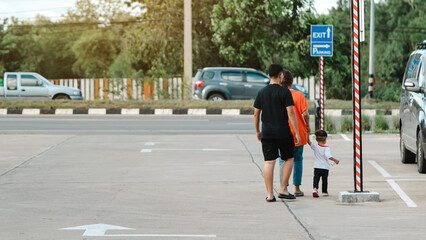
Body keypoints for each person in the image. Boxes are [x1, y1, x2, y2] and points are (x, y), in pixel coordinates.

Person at [254, 63, 301, 202]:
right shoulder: (285, 92)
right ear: (281, 75)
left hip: (267, 132)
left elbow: (256, 114)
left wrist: (257, 130)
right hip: (283, 132)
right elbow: (291, 113)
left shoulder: (261, 92)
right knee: (288, 158)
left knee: (269, 162)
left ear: (268, 75)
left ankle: (270, 194)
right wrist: (297, 133)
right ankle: (283, 189)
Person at [279, 70, 310, 197]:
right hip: (298, 132)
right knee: (298, 159)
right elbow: (305, 114)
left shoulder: (278, 95)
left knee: (283, 160)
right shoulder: (299, 95)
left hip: (282, 132)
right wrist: (307, 126)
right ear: (291, 82)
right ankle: (297, 188)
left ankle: (283, 186)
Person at [307, 130, 340, 197]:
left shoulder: (315, 146)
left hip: (317, 166)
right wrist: (335, 160)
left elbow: (308, 142)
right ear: (325, 139)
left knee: (316, 178)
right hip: (325, 167)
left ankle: (315, 189)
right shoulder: (326, 148)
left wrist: (307, 133)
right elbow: (328, 156)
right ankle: (324, 192)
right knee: (324, 180)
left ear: (316, 139)